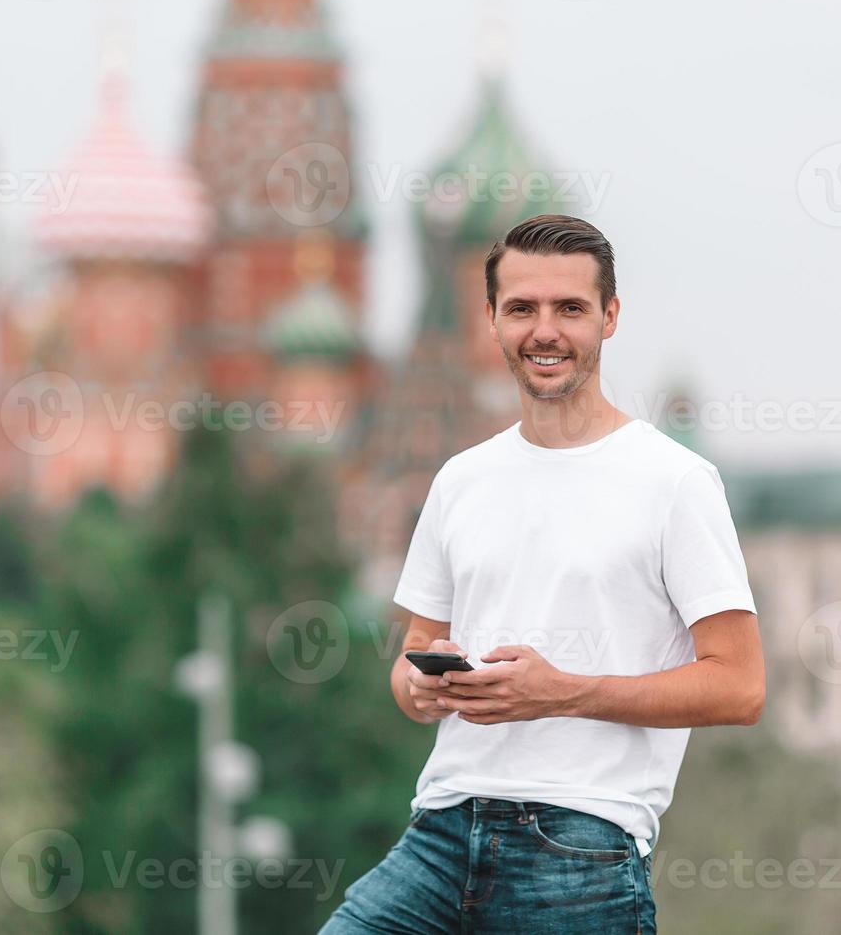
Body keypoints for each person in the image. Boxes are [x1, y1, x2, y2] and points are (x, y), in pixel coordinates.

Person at [318, 214, 766, 934]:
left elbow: (740, 686)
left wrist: (563, 692)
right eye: (522, 308)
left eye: (570, 309)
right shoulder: (460, 480)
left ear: (609, 318)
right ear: (491, 317)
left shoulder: (675, 481)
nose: (545, 331)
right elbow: (409, 663)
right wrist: (427, 687)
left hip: (578, 844)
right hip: (439, 830)